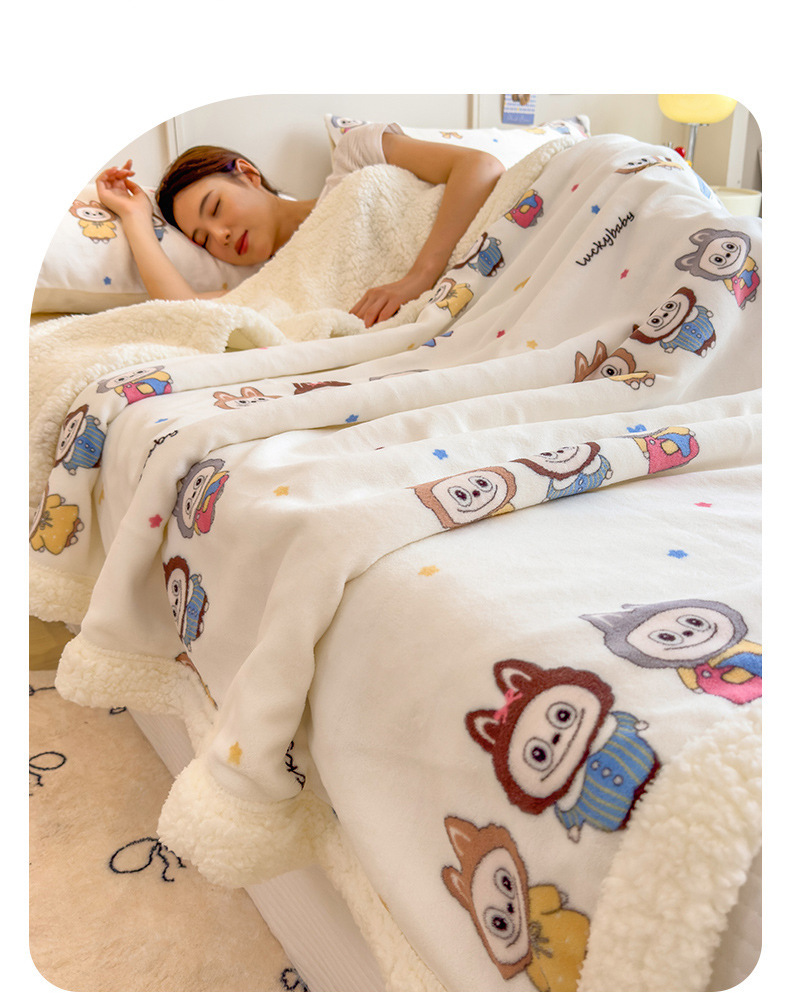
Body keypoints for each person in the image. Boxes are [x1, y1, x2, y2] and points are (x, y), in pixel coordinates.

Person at [95, 124, 504, 328]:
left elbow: (480, 166)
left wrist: (418, 277)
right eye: (204, 240)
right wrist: (134, 217)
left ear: (247, 174)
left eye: (216, 208)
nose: (220, 235)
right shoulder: (279, 283)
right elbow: (184, 311)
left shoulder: (354, 156)